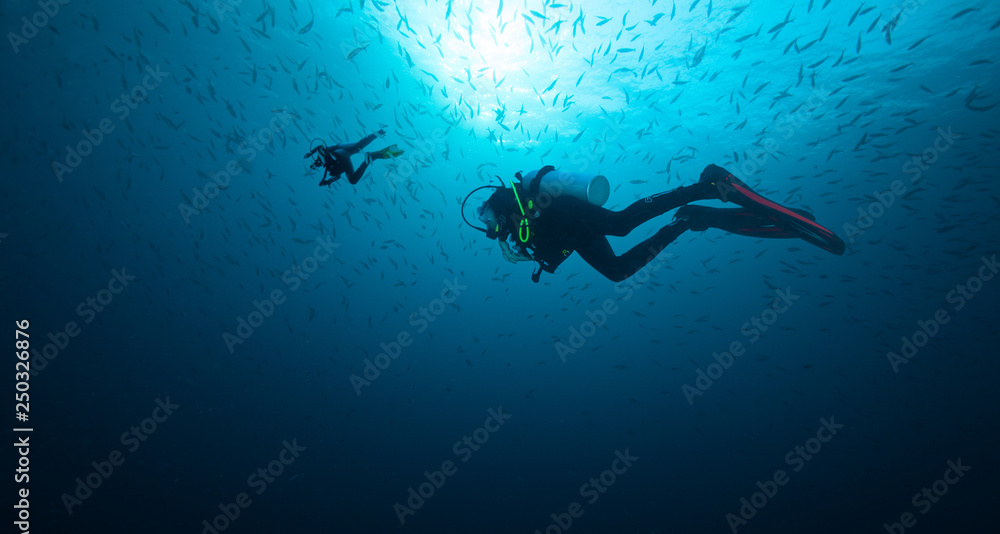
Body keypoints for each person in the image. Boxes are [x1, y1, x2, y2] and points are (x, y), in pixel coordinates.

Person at [465, 164, 845, 283]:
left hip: (569, 212)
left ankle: (704, 186)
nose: (486, 224)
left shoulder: (503, 204)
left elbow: (526, 216)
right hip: (575, 234)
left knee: (623, 223)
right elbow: (553, 250)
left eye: (483, 217)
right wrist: (528, 256)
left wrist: (507, 235)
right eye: (483, 221)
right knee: (616, 272)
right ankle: (686, 221)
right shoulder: (514, 232)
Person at [304, 129, 404, 186]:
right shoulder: (327, 167)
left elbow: (318, 147)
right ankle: (370, 158)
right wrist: (328, 181)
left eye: (316, 163)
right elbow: (338, 175)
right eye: (317, 165)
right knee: (353, 181)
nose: (318, 164)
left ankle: (377, 134)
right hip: (344, 161)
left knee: (358, 146)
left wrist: (310, 153)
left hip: (341, 151)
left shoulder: (323, 155)